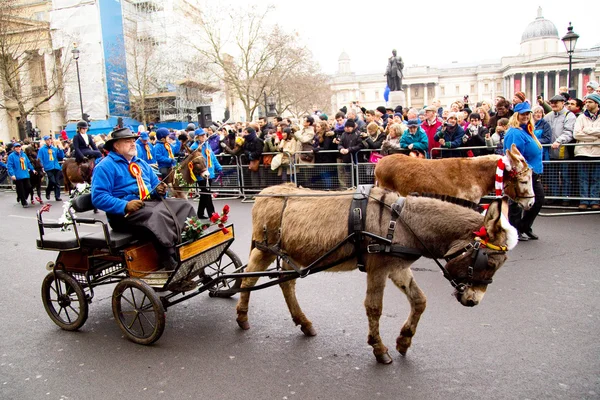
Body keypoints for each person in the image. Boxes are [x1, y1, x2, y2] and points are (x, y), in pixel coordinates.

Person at [91, 127, 195, 270]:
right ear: (116, 145)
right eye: (128, 141)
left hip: (148, 205)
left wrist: (160, 189)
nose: (133, 144)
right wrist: (125, 205)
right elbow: (98, 197)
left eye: (133, 141)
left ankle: (189, 245)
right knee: (156, 215)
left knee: (183, 205)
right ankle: (170, 259)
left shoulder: (141, 163)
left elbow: (154, 185)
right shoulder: (104, 166)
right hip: (123, 216)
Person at [504, 102, 544, 241]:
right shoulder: (515, 132)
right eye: (523, 114)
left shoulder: (527, 130)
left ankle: (524, 226)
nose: (526, 116)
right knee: (516, 202)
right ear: (516, 116)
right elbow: (513, 155)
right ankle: (515, 230)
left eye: (528, 114)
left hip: (532, 172)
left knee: (537, 200)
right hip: (522, 173)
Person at [544, 94, 576, 204]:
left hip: (563, 150)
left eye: (556, 102)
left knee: (565, 176)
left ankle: (565, 198)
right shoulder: (548, 116)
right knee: (552, 176)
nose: (553, 104)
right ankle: (554, 197)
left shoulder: (569, 115)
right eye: (552, 102)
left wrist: (559, 141)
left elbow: (569, 132)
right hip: (550, 151)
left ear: (563, 103)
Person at [573, 93, 600, 211]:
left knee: (596, 178)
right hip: (582, 152)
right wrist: (595, 136)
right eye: (586, 102)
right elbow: (576, 134)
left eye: (590, 102)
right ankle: (583, 201)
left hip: (597, 152)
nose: (587, 104)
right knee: (583, 178)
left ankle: (595, 201)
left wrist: (586, 131)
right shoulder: (580, 117)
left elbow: (582, 133)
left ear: (596, 103)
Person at [194, 130, 222, 219]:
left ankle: (200, 213)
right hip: (201, 174)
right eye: (201, 136)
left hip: (210, 172)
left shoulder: (207, 145)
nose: (203, 137)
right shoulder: (194, 146)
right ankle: (212, 214)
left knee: (204, 194)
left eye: (204, 135)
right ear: (197, 137)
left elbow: (213, 158)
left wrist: (219, 168)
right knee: (207, 194)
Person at [7, 142, 36, 207]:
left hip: (25, 174)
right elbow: (10, 166)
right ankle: (24, 202)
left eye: (19, 147)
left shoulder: (23, 155)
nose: (18, 148)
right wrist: (12, 174)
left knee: (28, 187)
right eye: (16, 147)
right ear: (14, 148)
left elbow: (28, 163)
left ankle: (24, 198)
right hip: (18, 175)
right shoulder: (11, 156)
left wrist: (32, 169)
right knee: (21, 189)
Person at [336, 119, 364, 187]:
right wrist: (341, 149)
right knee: (348, 175)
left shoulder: (358, 134)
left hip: (356, 158)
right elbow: (340, 144)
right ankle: (349, 188)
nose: (347, 128)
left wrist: (349, 149)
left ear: (353, 127)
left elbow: (360, 145)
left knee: (357, 175)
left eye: (348, 127)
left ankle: (358, 188)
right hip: (346, 158)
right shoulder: (343, 134)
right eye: (346, 127)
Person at [38, 135, 65, 201]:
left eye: (50, 140)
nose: (49, 141)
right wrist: (42, 167)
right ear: (45, 141)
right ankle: (48, 191)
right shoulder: (42, 149)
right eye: (48, 140)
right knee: (52, 181)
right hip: (48, 167)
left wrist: (60, 149)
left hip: (56, 166)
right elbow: (39, 159)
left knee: (57, 182)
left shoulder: (54, 148)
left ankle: (57, 196)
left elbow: (61, 156)